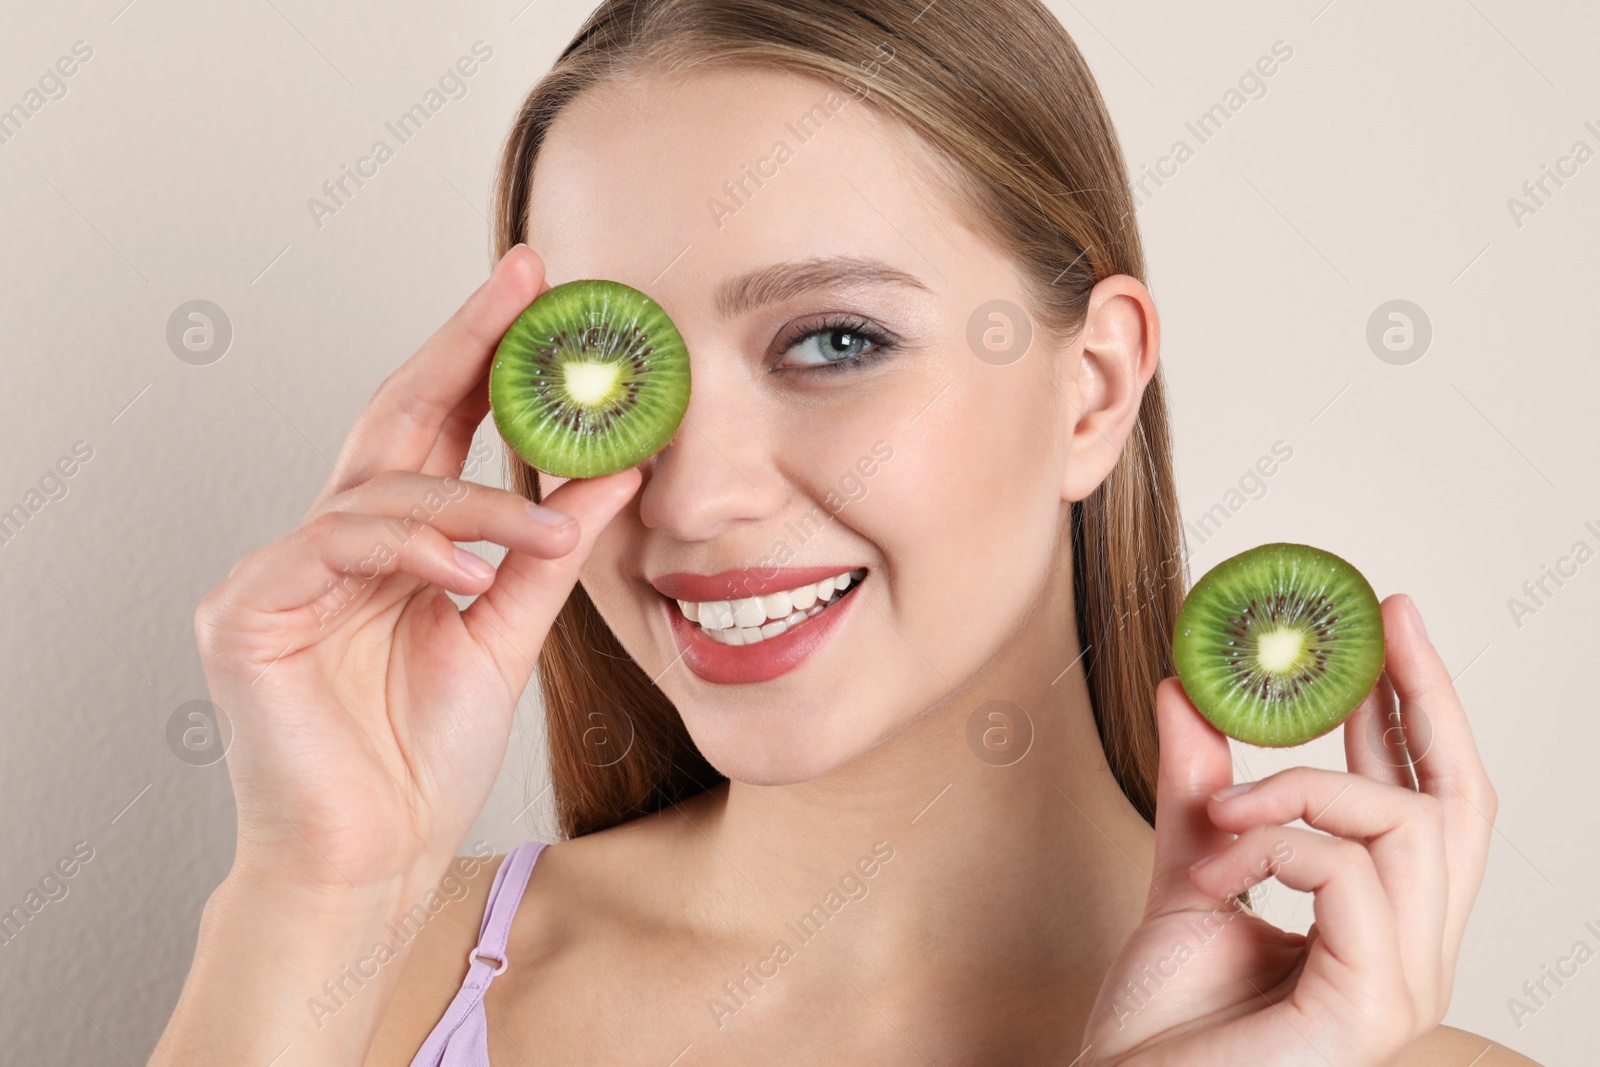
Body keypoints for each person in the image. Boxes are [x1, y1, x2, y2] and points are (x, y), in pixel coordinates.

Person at [150, 1, 1536, 1063]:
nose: (692, 498)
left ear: (1092, 388)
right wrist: (315, 882)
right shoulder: (365, 978)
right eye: (619, 373)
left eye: (832, 339)